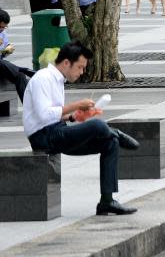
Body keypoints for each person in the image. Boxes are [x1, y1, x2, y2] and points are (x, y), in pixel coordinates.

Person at [24, 41, 140, 215]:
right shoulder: (43, 78)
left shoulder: (57, 80)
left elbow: (54, 114)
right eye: (79, 67)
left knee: (110, 142)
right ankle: (116, 132)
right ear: (66, 63)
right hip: (44, 137)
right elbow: (43, 115)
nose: (82, 72)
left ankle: (107, 201)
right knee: (99, 126)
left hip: (57, 131)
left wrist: (76, 116)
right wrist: (76, 104)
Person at [0, 9, 31, 102]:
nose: (2, 29)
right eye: (0, 27)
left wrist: (6, 51)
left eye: (4, 27)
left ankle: (29, 107)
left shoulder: (2, 34)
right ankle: (22, 69)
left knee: (20, 76)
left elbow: (2, 52)